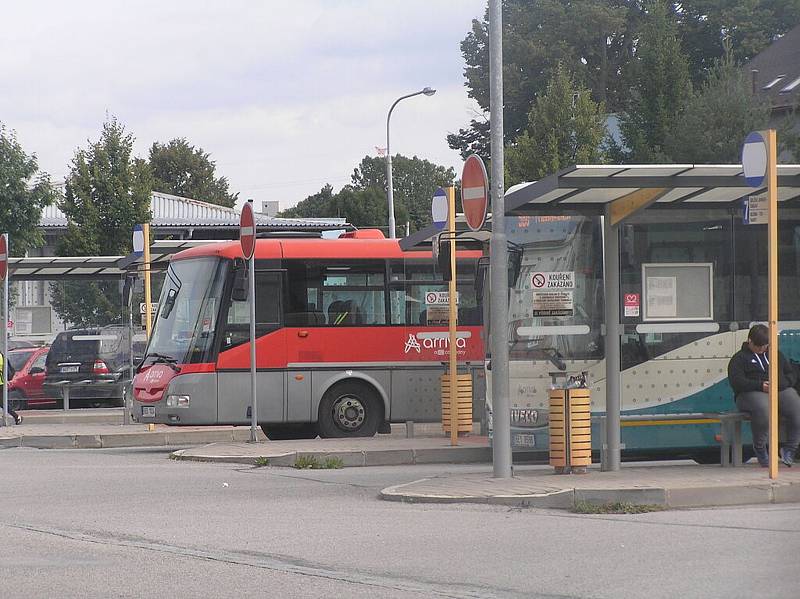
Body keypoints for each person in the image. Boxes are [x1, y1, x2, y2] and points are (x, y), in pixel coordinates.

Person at [727, 324, 800, 467]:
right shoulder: (739, 359)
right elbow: (737, 382)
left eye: (765, 346)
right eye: (758, 346)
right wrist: (759, 385)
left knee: (795, 404)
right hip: (748, 394)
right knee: (763, 407)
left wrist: (780, 384)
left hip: (778, 389)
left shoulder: (776, 355)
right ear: (750, 341)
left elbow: (791, 374)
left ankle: (790, 448)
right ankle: (760, 447)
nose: (762, 349)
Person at [0, 349, 22, 425]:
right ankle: (16, 416)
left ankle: (16, 416)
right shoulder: (2, 356)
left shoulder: (0, 356)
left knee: (3, 403)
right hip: (2, 383)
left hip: (1, 383)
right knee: (3, 403)